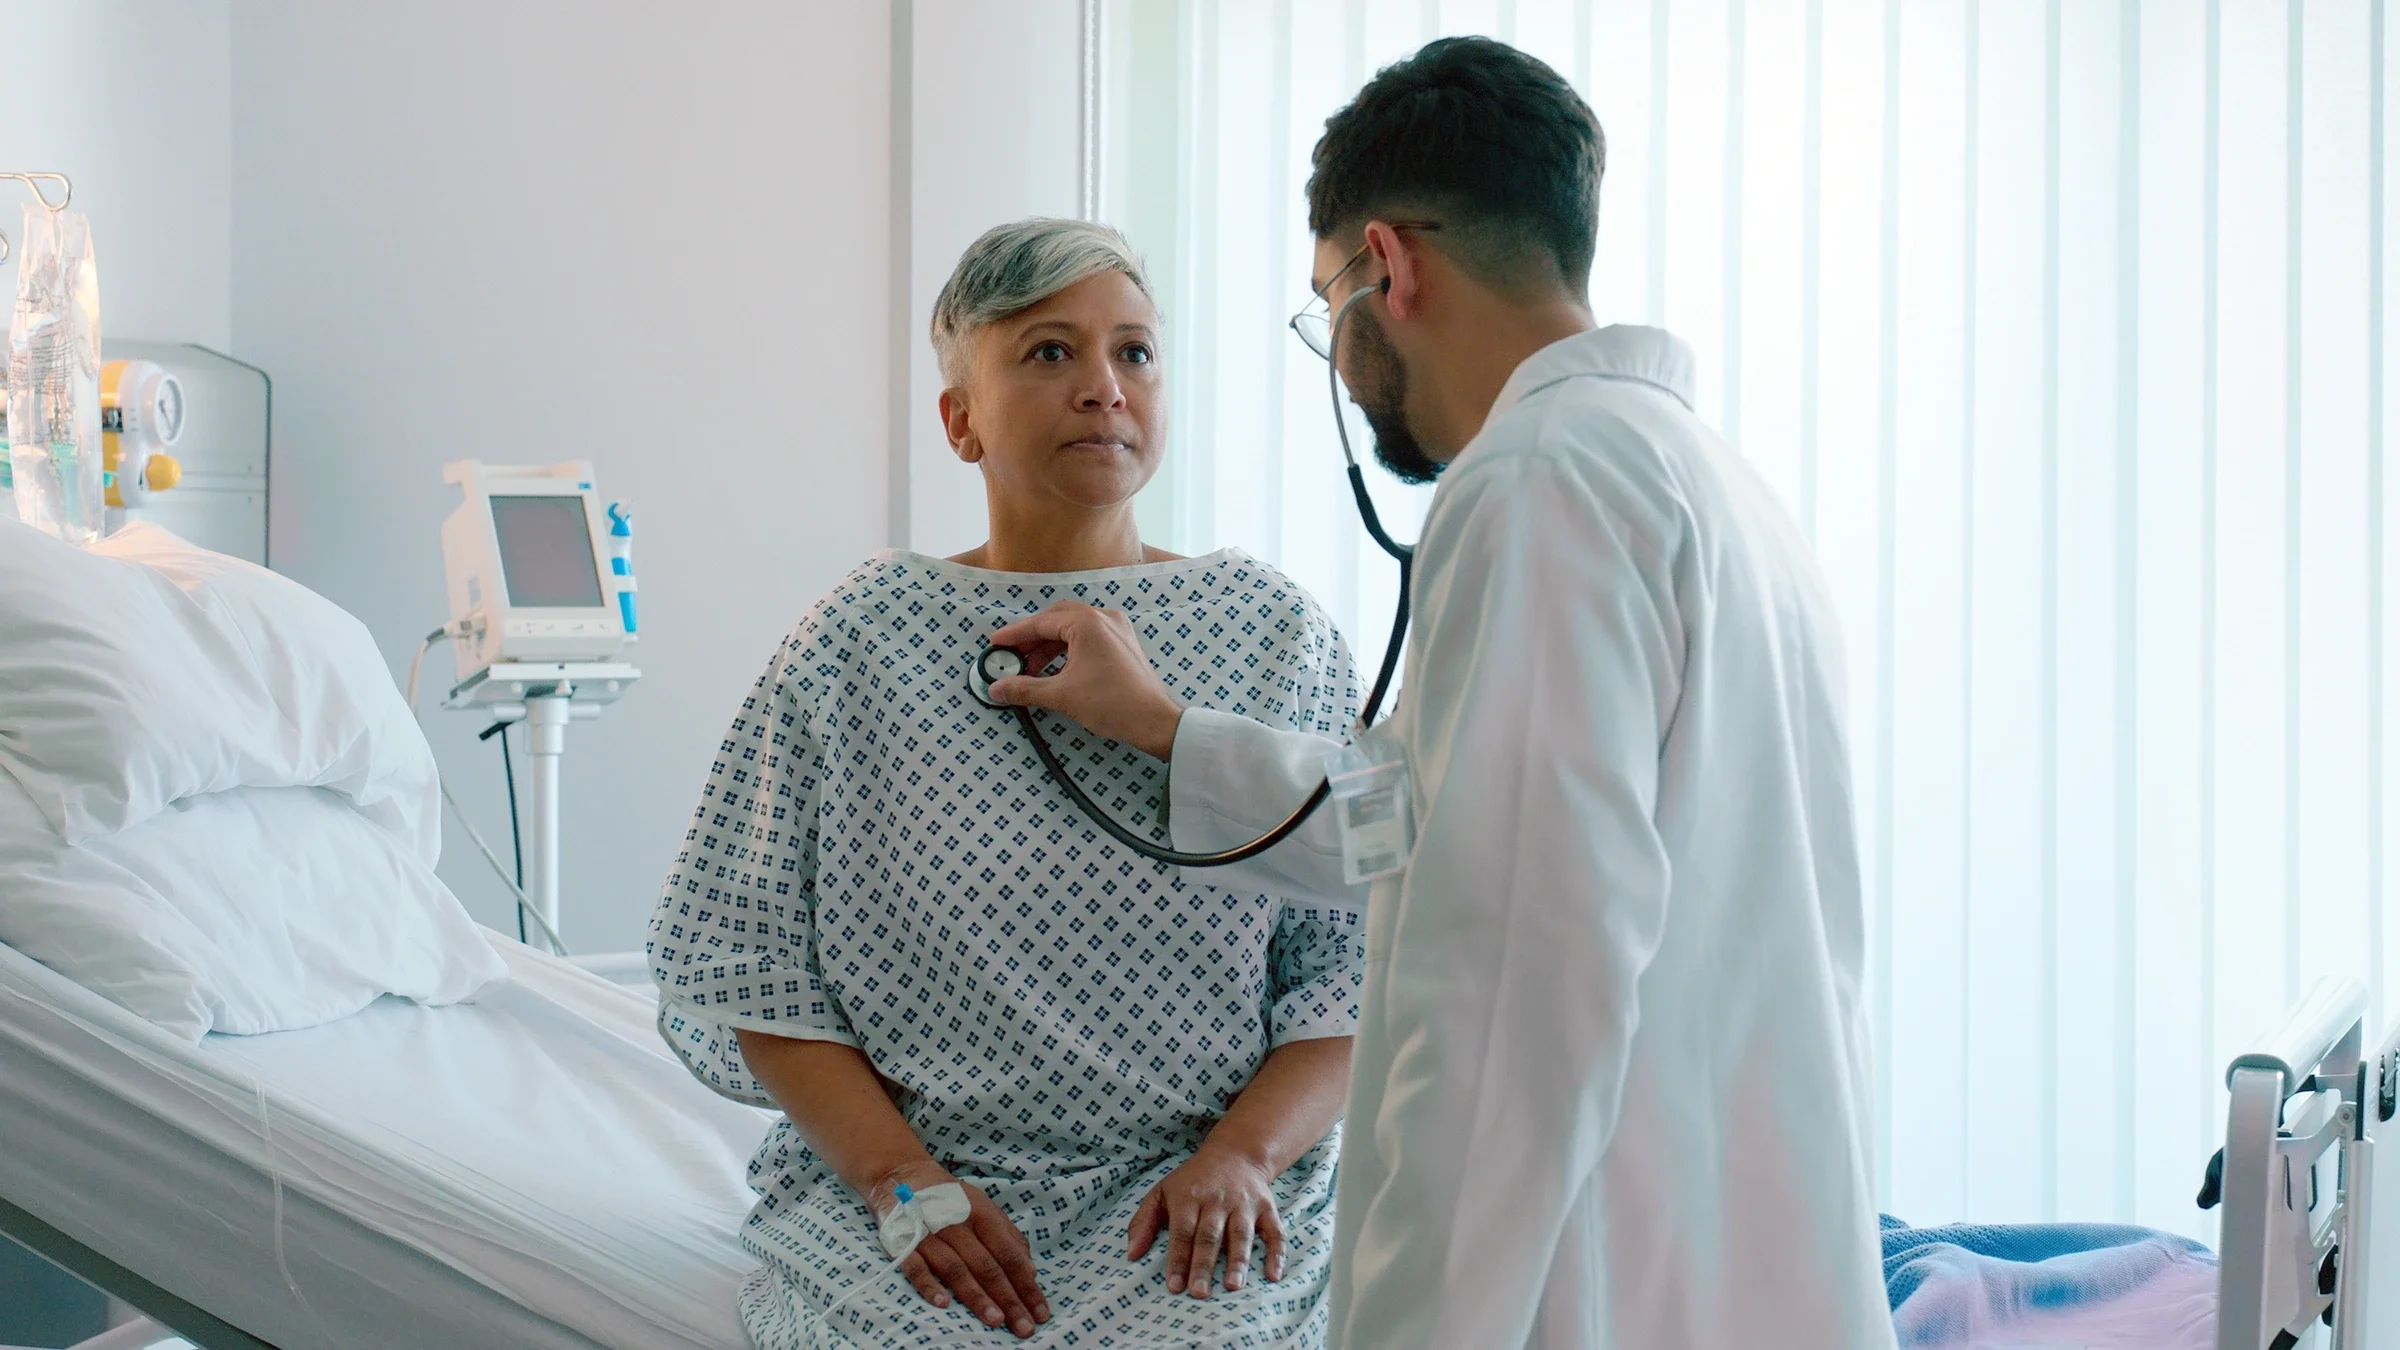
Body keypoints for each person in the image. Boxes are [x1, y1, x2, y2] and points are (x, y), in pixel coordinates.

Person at [985, 38, 1897, 1350]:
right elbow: (1424, 823)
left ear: (1387, 267)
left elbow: (1511, 993)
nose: (1339, 358)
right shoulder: (1707, 483)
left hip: (1605, 1290)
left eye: (1327, 307)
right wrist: (1167, 732)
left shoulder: (1539, 483)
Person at [648, 217, 1365, 1348]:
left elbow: (1359, 968)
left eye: (1134, 352)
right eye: (1049, 351)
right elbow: (751, 963)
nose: (1104, 387)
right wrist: (898, 1178)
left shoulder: (1272, 635)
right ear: (960, 420)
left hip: (1196, 1187)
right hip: (925, 1181)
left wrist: (1243, 1157)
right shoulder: (858, 643)